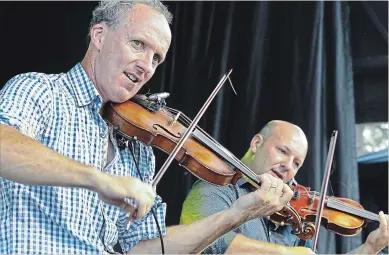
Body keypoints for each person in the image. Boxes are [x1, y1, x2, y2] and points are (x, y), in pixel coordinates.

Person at [0, 1, 295, 254]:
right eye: (138, 44)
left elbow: (147, 249)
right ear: (99, 36)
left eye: (156, 58)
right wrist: (99, 179)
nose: (146, 65)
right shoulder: (41, 91)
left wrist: (234, 216)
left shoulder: (139, 149)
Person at [180, 120, 389, 254]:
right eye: (282, 151)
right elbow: (207, 244)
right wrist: (284, 253)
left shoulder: (293, 217)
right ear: (256, 144)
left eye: (296, 163)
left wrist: (368, 249)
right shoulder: (216, 186)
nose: (288, 166)